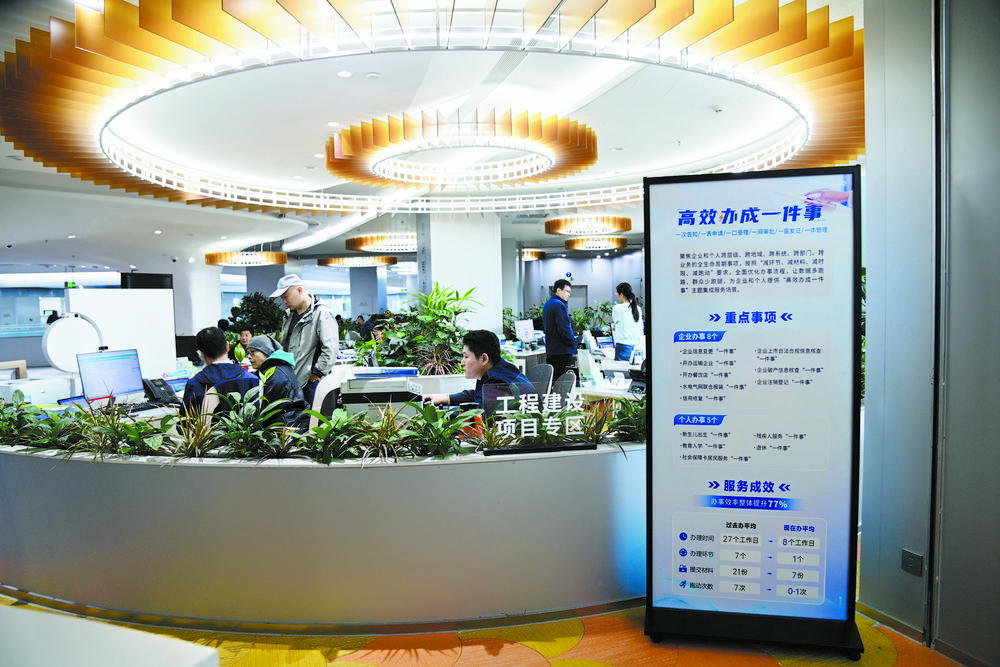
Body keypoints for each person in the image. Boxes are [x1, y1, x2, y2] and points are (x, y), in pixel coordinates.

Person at [424, 329, 534, 416]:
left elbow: (476, 414)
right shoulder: (500, 368)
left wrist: (441, 415)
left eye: (466, 357)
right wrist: (444, 399)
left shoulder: (498, 380)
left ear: (483, 359)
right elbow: (479, 395)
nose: (462, 362)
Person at [270, 274, 338, 407]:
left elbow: (330, 348)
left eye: (285, 296)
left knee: (313, 417)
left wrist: (317, 373)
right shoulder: (289, 315)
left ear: (300, 290)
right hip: (292, 379)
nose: (284, 301)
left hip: (310, 381)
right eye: (282, 298)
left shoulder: (321, 313)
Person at [181, 326, 259, 415]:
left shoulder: (195, 384)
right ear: (227, 346)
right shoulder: (251, 379)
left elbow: (185, 420)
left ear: (200, 353)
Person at [244, 334, 310, 432]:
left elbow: (267, 408)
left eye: (252, 352)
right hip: (292, 421)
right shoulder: (277, 367)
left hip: (286, 426)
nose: (249, 356)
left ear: (266, 350)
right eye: (248, 353)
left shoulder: (275, 373)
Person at [542, 278, 577, 382]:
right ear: (558, 290)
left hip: (552, 350)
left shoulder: (548, 304)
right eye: (567, 291)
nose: (568, 294)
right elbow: (564, 328)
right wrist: (572, 342)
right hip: (562, 351)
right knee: (562, 383)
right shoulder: (559, 305)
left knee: (554, 381)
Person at [611, 282, 643, 362]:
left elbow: (616, 323)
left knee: (621, 369)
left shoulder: (617, 308)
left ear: (621, 294)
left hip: (623, 346)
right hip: (637, 347)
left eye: (617, 294)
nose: (617, 296)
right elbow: (640, 327)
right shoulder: (638, 309)